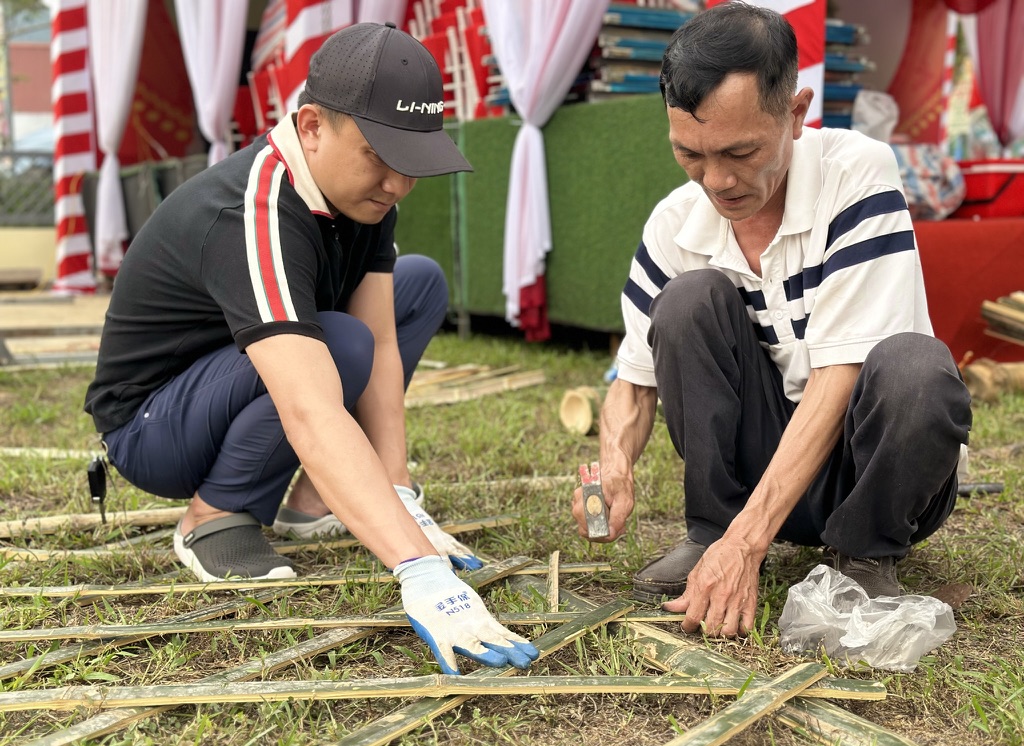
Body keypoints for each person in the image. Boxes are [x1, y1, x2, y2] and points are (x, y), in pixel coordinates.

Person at [84, 22, 538, 675]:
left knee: (416, 286)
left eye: (410, 162)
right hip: (154, 426)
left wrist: (400, 495)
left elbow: (385, 340)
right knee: (340, 344)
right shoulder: (258, 207)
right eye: (378, 156)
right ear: (312, 126)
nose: (397, 184)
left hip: (234, 380)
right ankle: (213, 516)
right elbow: (310, 404)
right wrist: (419, 568)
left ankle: (312, 503)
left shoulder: (368, 201)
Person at [571, 2, 972, 639]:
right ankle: (711, 530)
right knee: (686, 300)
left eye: (741, 151)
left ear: (796, 112)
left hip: (863, 464)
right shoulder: (675, 223)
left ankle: (864, 555)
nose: (717, 180)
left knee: (916, 370)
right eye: (690, 154)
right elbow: (635, 380)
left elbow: (841, 375)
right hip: (765, 462)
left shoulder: (855, 176)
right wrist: (614, 462)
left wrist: (750, 543)